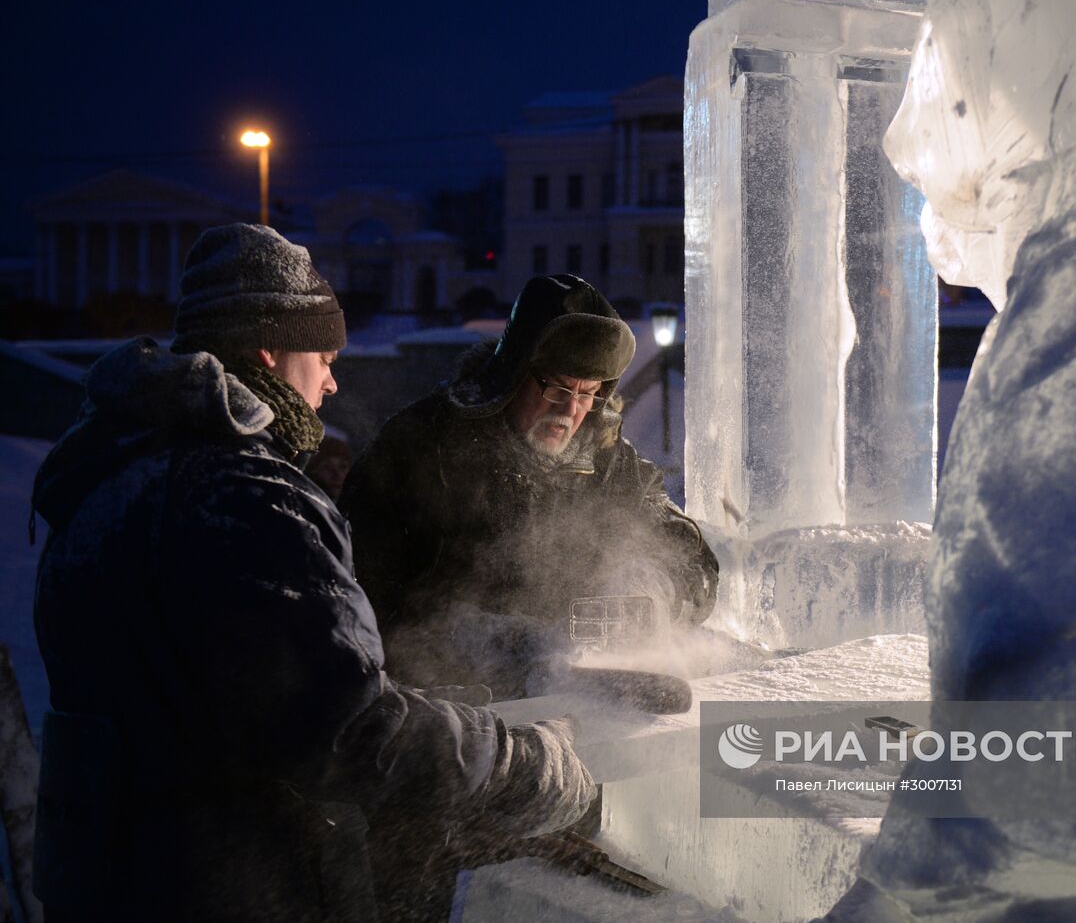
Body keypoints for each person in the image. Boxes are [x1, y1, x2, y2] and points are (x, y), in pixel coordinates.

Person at [30, 224, 595, 923]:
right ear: (271, 348)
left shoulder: (105, 480)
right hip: (238, 886)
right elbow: (347, 731)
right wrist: (527, 766)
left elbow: (217, 697)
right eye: (325, 355)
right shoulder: (244, 498)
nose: (331, 381)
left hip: (111, 881)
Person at [340, 273, 719, 699]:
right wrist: (493, 644)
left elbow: (695, 564)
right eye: (556, 388)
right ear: (514, 372)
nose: (570, 411)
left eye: (588, 393)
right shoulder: (421, 448)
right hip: (454, 714)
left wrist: (652, 591)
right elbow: (356, 605)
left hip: (581, 705)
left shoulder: (609, 460)